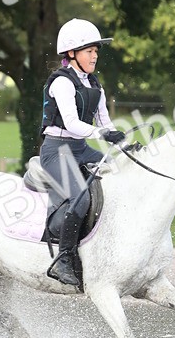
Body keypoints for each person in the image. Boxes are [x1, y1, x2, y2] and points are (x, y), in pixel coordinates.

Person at [40, 18, 126, 288]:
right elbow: (73, 124)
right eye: (89, 51)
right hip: (57, 151)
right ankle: (63, 259)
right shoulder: (62, 83)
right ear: (71, 53)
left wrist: (123, 146)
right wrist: (102, 135)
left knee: (122, 173)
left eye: (96, 51)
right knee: (78, 198)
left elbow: (105, 122)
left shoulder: (93, 84)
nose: (95, 56)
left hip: (80, 149)